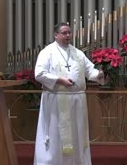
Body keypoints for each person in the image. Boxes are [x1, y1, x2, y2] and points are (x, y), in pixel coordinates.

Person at [33, 22, 106, 165]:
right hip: (56, 100)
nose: (68, 35)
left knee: (77, 134)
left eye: (69, 33)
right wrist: (59, 80)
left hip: (77, 101)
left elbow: (90, 71)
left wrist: (101, 74)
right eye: (64, 33)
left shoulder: (77, 53)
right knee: (56, 136)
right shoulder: (47, 52)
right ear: (56, 35)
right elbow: (39, 74)